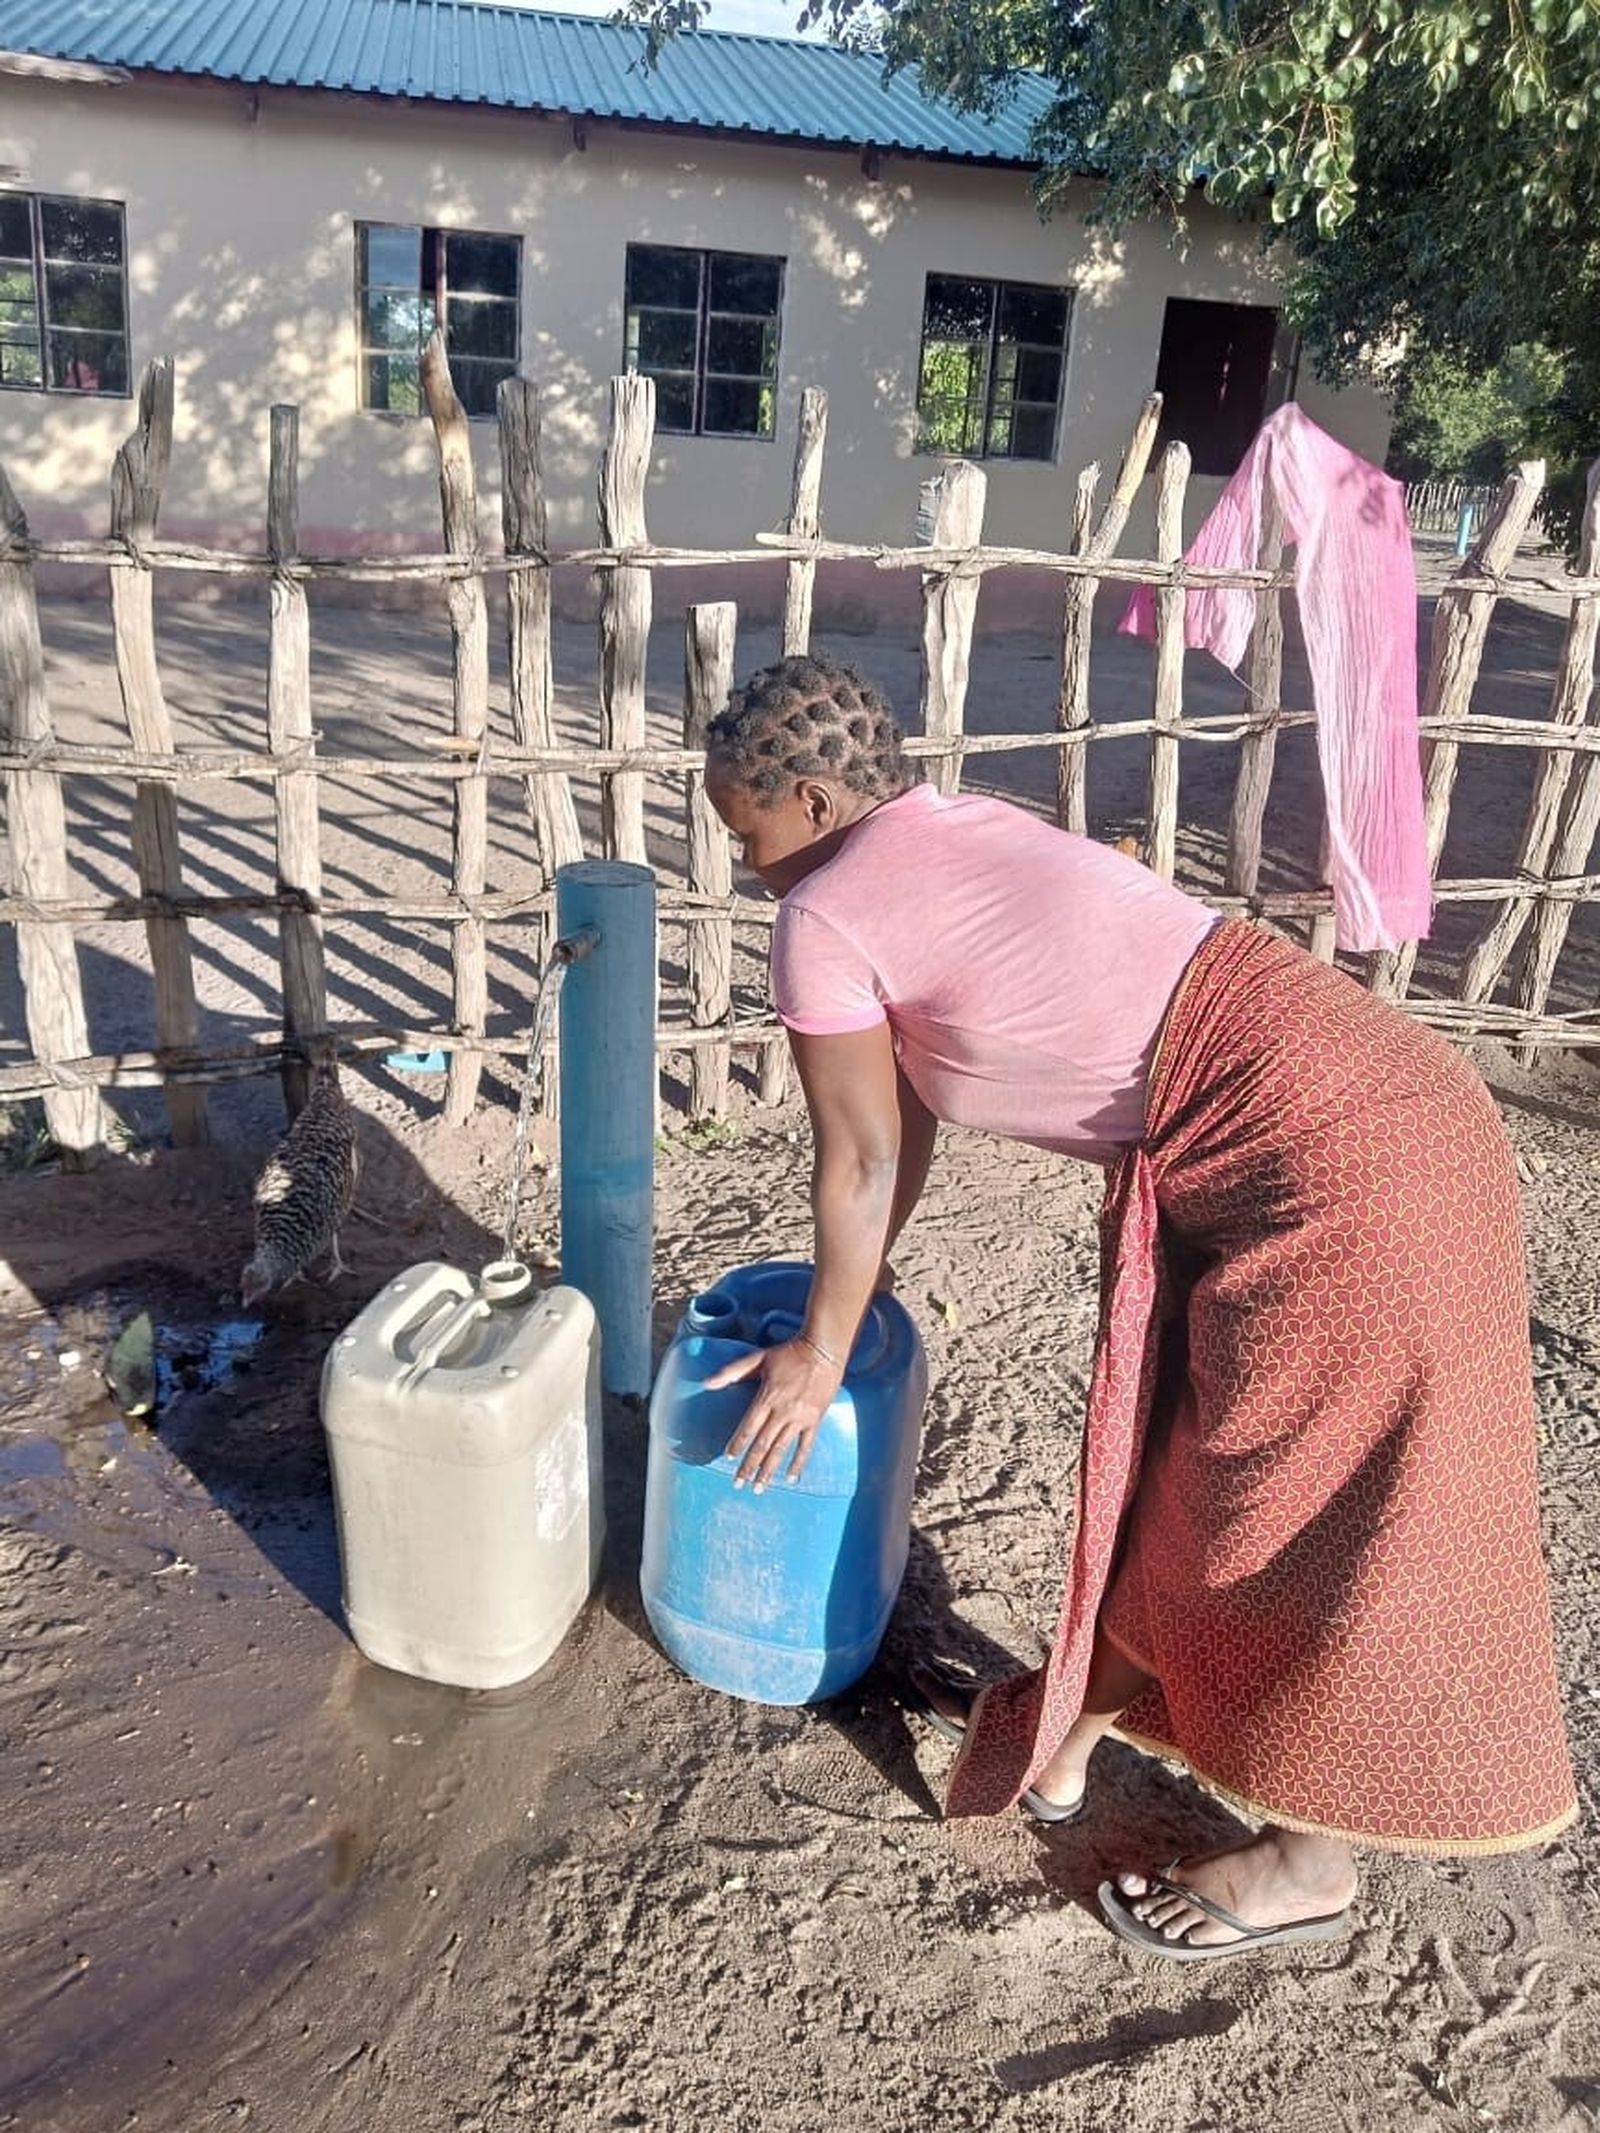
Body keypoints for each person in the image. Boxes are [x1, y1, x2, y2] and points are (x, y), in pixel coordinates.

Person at [700, 652, 1575, 1963]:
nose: (743, 864)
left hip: (1332, 1162)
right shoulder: (959, 834)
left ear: (817, 803)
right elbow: (903, 1122)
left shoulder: (823, 911)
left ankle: (1309, 1859)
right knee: (1172, 1463)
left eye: (746, 832)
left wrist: (824, 1349)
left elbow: (864, 1157)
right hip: (1395, 1109)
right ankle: (1067, 1743)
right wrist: (849, 1296)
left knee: (1267, 1498)